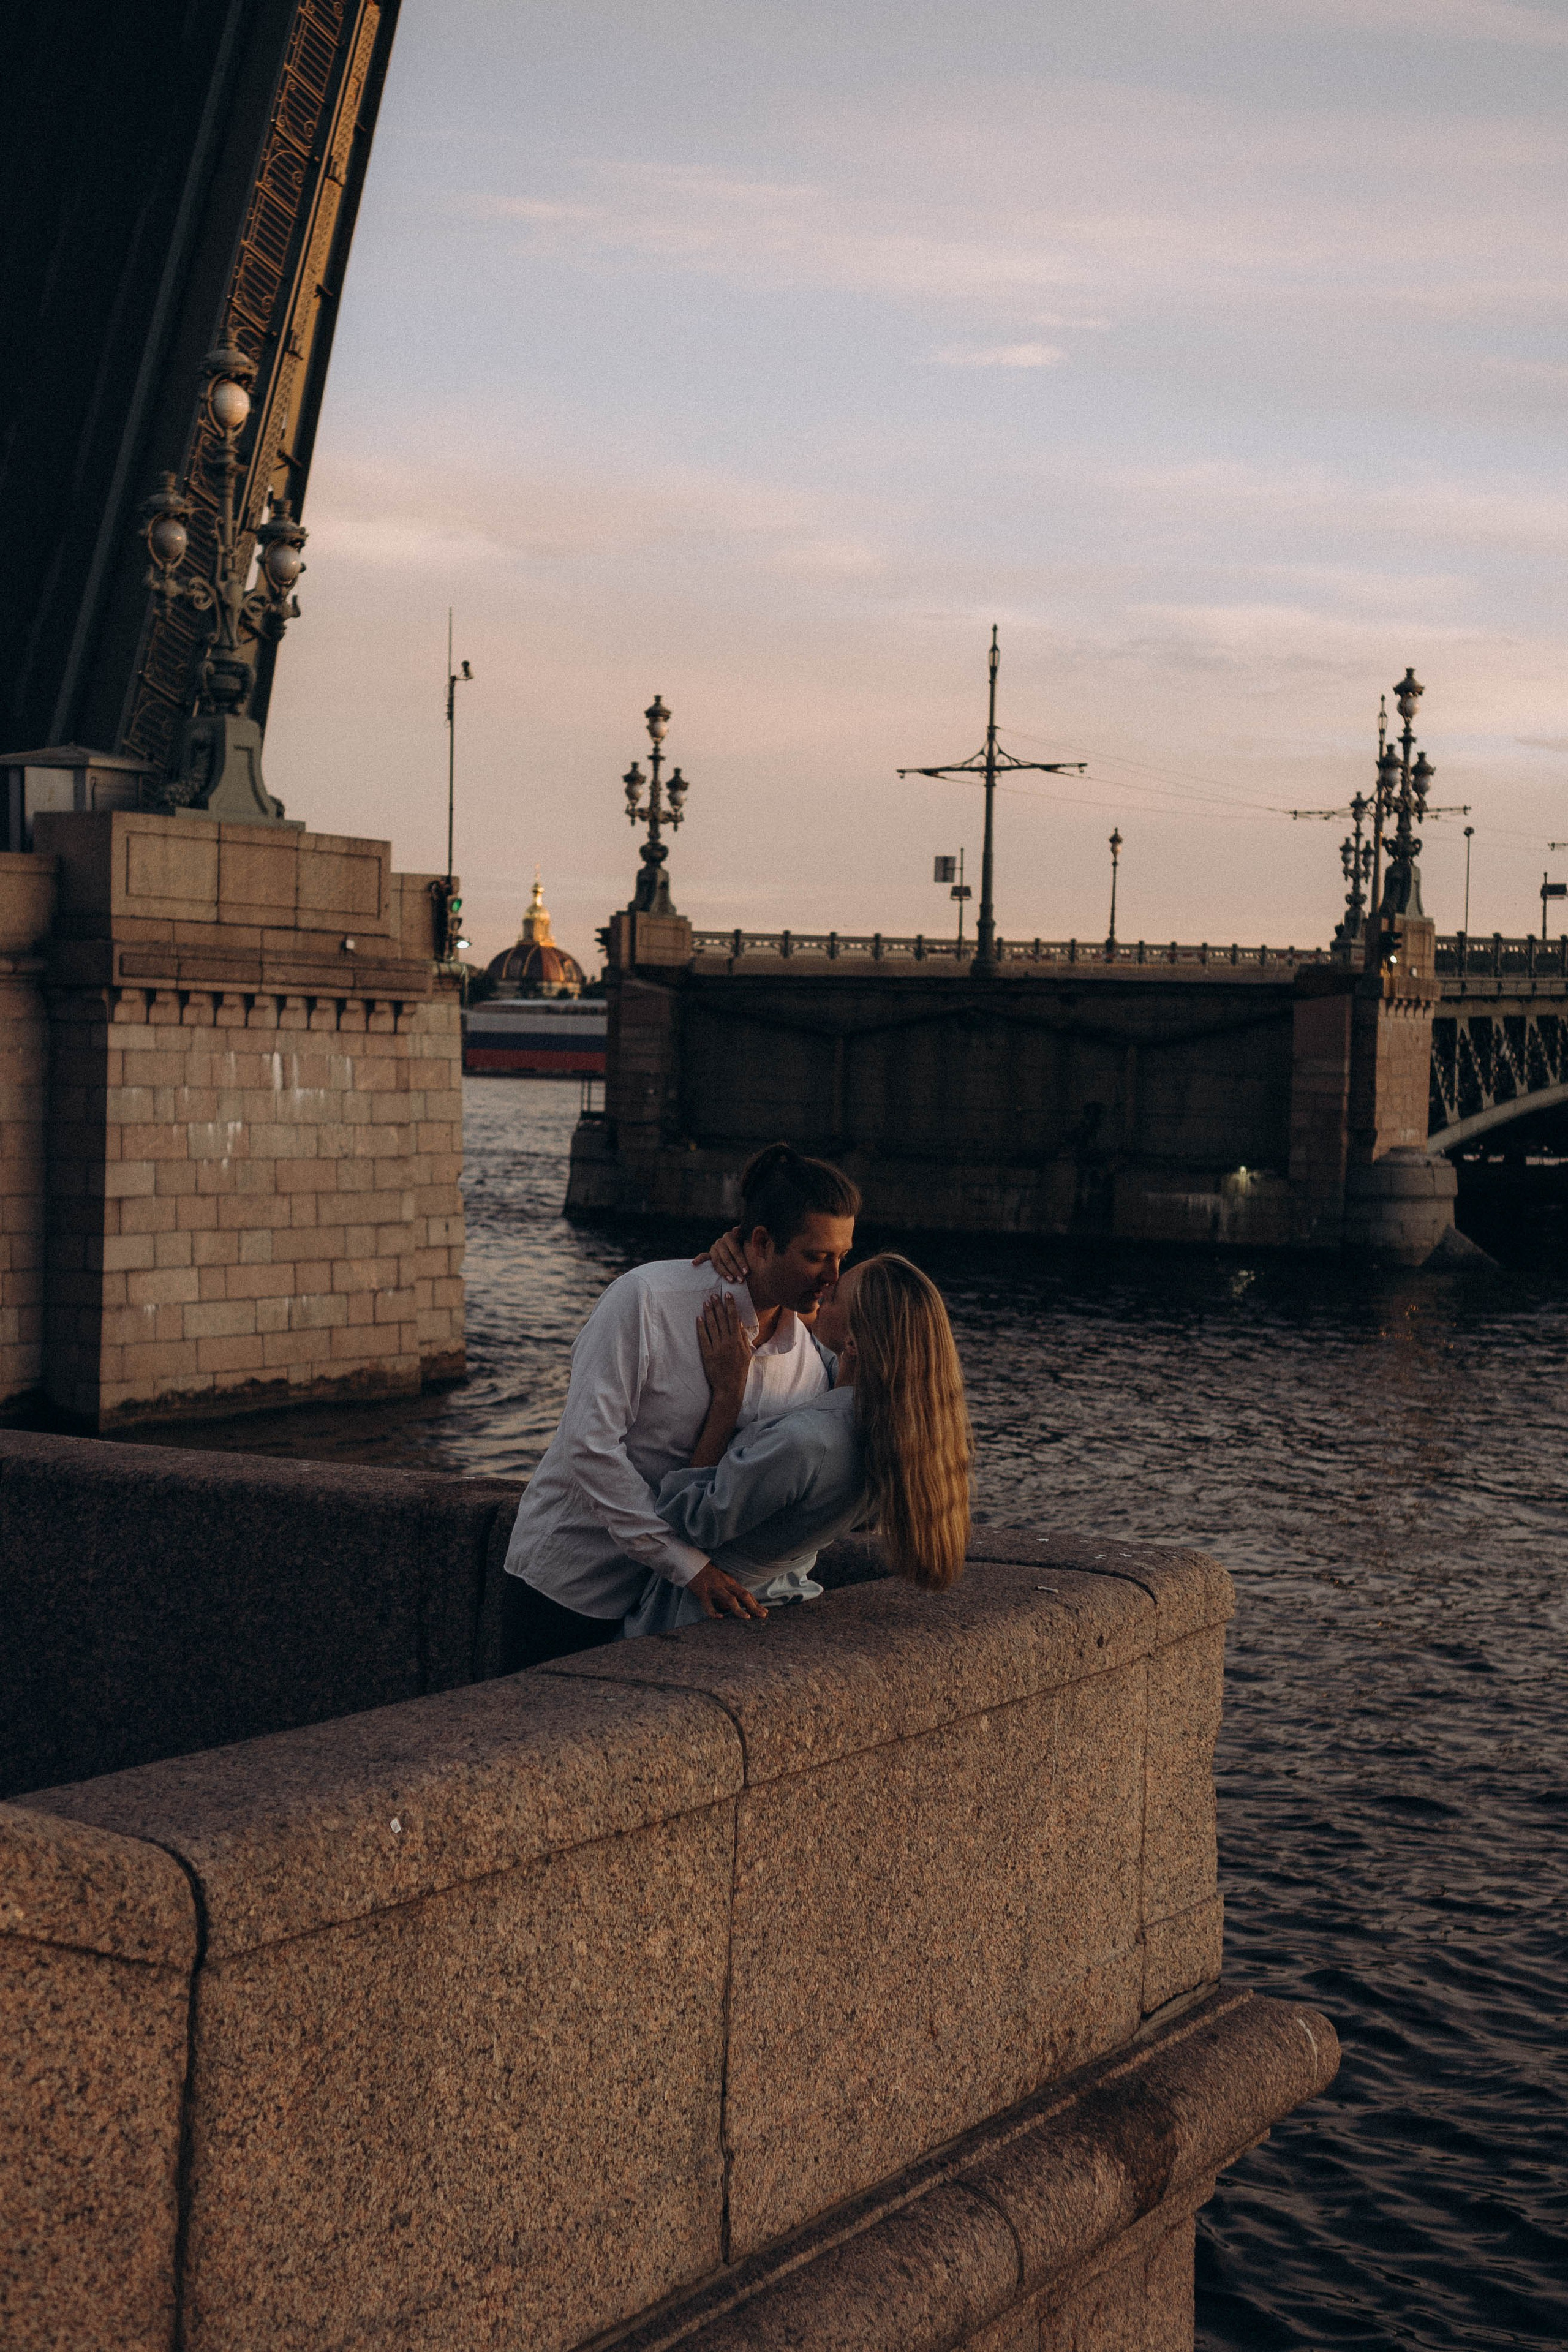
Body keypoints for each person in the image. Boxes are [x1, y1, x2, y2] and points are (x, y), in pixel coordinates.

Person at [498, 1142, 859, 1670]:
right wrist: (687, 1566)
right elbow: (589, 1445)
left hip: (670, 1612)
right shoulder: (648, 1299)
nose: (833, 1277)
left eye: (842, 1257)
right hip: (572, 1585)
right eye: (816, 1256)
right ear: (760, 1243)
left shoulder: (807, 1364)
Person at [622, 1252, 973, 1637]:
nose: (820, 1298)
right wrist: (760, 1263)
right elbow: (831, 1349)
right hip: (782, 1601)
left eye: (834, 1297)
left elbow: (689, 1520)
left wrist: (728, 1397)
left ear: (854, 1344)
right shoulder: (897, 1434)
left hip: (703, 1618)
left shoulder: (806, 1443)